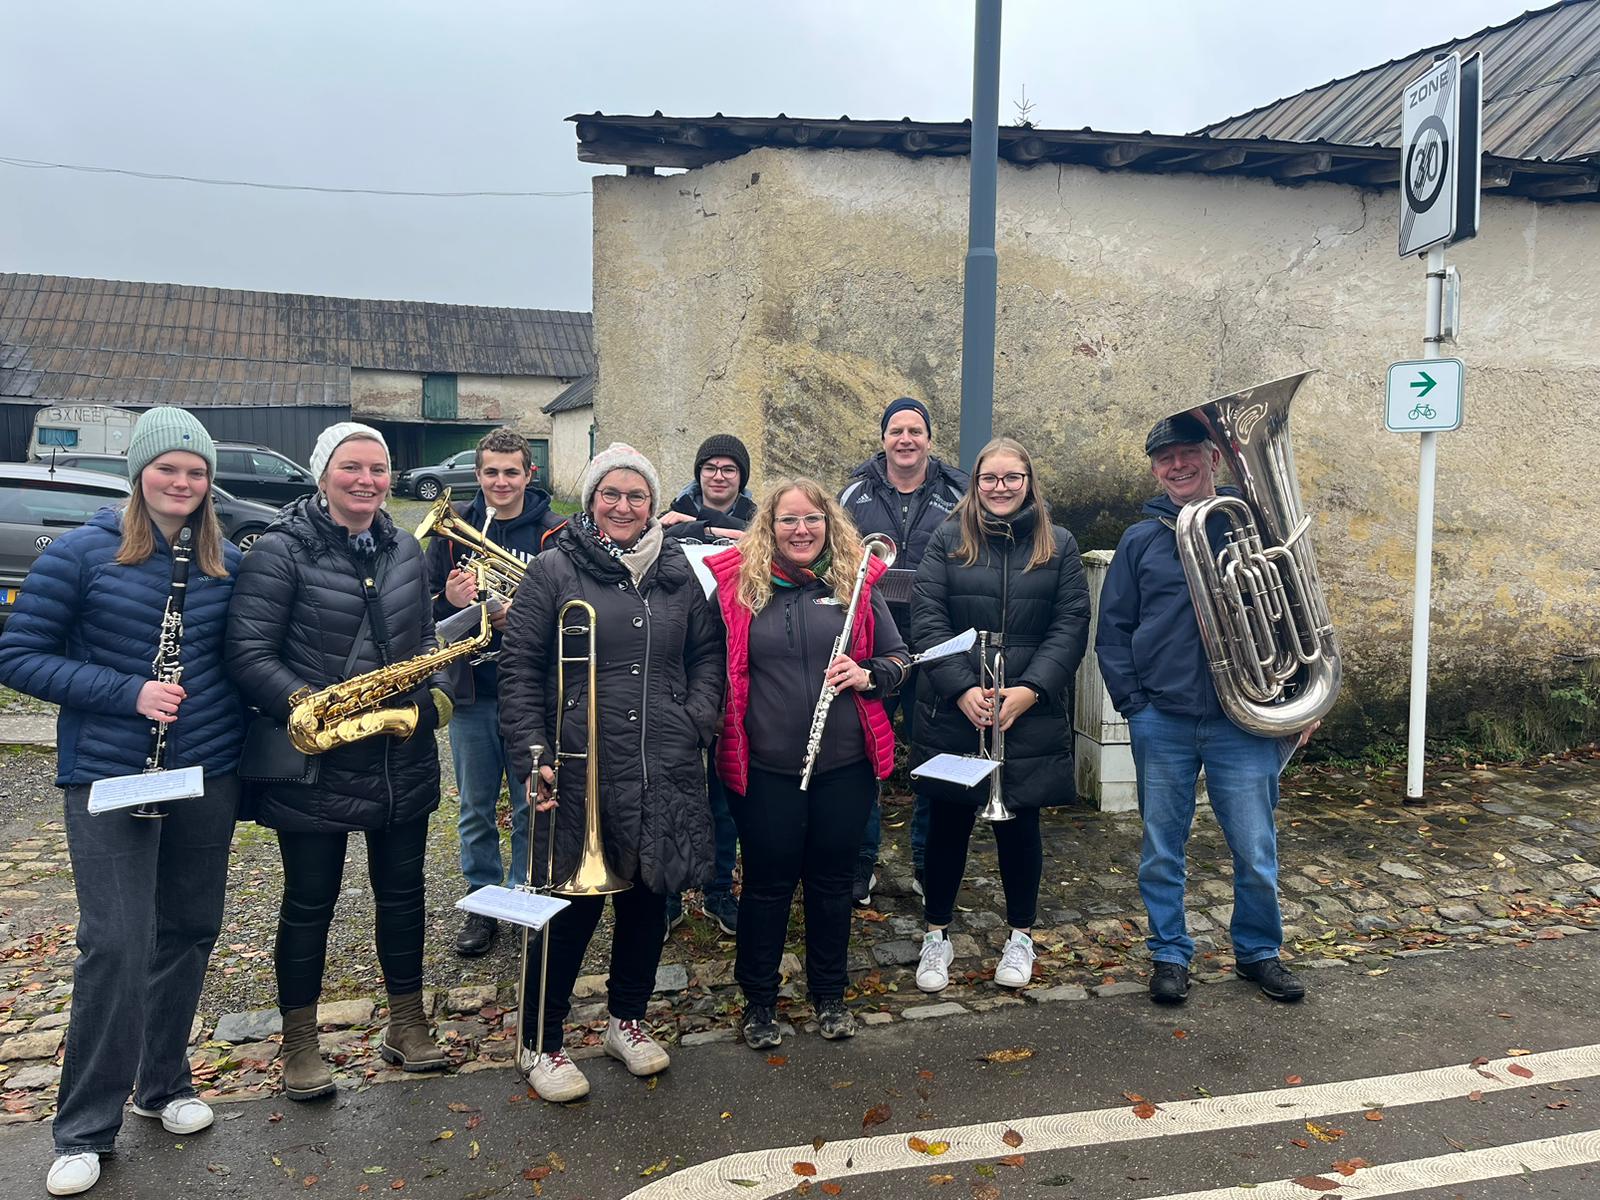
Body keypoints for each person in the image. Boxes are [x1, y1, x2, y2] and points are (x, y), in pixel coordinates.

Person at [0, 407, 244, 1197]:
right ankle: (82, 1127)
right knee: (114, 942)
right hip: (109, 774)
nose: (183, 482)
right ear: (140, 473)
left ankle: (163, 1084)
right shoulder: (79, 553)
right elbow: (19, 655)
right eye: (169, 468)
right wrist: (126, 691)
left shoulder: (224, 560)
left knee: (188, 930)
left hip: (202, 774)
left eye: (196, 471)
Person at [227, 422, 455, 1101]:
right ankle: (300, 1044)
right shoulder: (278, 552)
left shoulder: (407, 552)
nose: (367, 481)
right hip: (317, 761)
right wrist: (309, 707)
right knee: (307, 903)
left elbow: (421, 642)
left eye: (378, 469)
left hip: (397, 757)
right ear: (322, 474)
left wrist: (426, 708)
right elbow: (248, 652)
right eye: (351, 467)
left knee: (405, 896)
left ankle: (407, 1025)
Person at [499, 443, 725, 1103]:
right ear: (591, 500)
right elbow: (517, 672)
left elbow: (708, 653)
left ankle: (626, 1021)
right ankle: (540, 1042)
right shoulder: (553, 569)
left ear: (653, 504)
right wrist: (534, 755)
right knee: (570, 910)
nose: (623, 506)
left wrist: (697, 719)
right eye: (610, 494)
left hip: (663, 763)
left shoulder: (681, 571)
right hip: (579, 768)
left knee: (648, 902)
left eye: (636, 496)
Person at [1096, 415, 1308, 1006]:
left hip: (1243, 718)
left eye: (1189, 453)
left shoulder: (1255, 528)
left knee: (1255, 849)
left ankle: (1259, 952)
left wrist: (1300, 700)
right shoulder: (1140, 539)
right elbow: (1112, 631)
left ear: (1213, 457)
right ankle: (1169, 953)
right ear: (1155, 469)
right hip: (1162, 719)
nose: (1178, 467)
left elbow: (1299, 609)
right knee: (1162, 848)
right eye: (1165, 459)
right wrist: (1134, 707)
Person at [705, 480, 909, 1050]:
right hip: (764, 768)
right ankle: (760, 1002)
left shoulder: (855, 583)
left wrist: (868, 674)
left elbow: (898, 658)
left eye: (813, 519)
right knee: (766, 885)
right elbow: (705, 663)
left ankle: (829, 994)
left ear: (828, 524)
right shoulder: (735, 586)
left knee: (830, 882)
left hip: (842, 765)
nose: (801, 530)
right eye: (788, 520)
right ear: (769, 526)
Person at [909, 438, 1090, 994]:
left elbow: (1071, 624)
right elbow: (928, 619)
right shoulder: (947, 538)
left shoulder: (1058, 544)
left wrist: (1031, 689)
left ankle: (1020, 936)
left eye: (1013, 478)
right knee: (946, 824)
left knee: (1021, 827)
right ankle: (936, 935)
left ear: (1029, 482)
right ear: (976, 483)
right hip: (956, 705)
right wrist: (963, 688)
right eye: (990, 478)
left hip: (1024, 710)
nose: (1001, 487)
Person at [423, 427, 566, 957]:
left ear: (529, 474)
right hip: (474, 690)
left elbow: (572, 610)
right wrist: (450, 600)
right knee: (476, 806)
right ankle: (482, 902)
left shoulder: (556, 533)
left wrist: (523, 620)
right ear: (477, 474)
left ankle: (523, 895)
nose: (500, 482)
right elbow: (428, 616)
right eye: (490, 472)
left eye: (511, 472)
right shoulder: (453, 533)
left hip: (533, 694)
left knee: (533, 803)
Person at [838, 397, 968, 906]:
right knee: (861, 754)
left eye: (916, 430)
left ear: (930, 440)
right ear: (884, 439)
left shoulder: (959, 492)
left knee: (932, 755)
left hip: (937, 643)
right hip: (871, 642)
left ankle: (926, 862)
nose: (906, 439)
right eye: (897, 431)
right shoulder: (855, 492)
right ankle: (859, 864)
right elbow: (835, 557)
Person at [658, 433, 755, 938]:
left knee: (724, 791)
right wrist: (692, 527)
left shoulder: (759, 520)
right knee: (674, 785)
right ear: (698, 473)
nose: (719, 475)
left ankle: (720, 889)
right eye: (710, 467)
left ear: (742, 476)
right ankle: (669, 893)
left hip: (737, 667)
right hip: (677, 666)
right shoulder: (667, 516)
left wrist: (709, 529)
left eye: (729, 469)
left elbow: (768, 550)